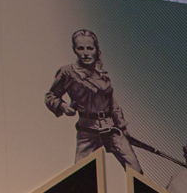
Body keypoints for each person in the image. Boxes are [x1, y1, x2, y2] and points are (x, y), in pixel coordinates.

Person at [44, 29, 143, 172]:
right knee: (81, 173)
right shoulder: (67, 72)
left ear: (96, 50)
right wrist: (63, 106)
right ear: (74, 49)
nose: (85, 53)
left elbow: (112, 103)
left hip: (111, 128)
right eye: (80, 48)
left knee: (135, 170)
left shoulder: (101, 75)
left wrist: (122, 127)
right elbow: (51, 95)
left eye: (90, 48)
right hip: (87, 131)